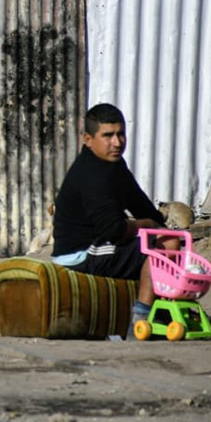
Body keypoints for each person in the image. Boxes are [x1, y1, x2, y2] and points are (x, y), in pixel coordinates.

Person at [52, 103, 179, 333]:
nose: (117, 142)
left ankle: (161, 311)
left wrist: (157, 223)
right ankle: (140, 319)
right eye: (108, 136)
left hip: (100, 245)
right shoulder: (92, 175)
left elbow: (141, 205)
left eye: (120, 134)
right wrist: (149, 226)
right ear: (88, 139)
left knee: (168, 238)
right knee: (163, 246)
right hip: (80, 253)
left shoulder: (114, 165)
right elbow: (114, 231)